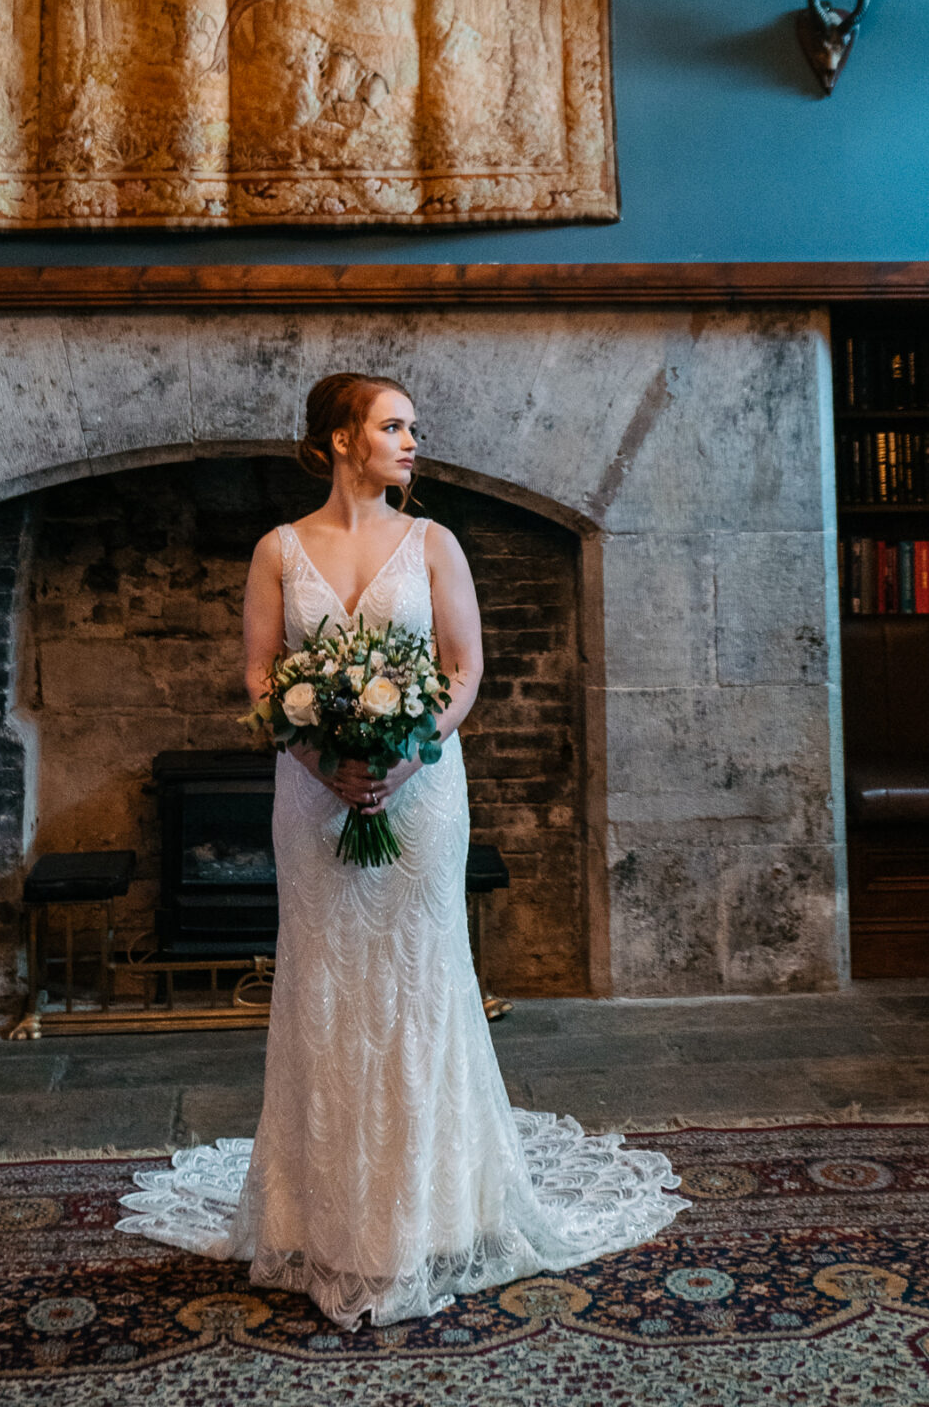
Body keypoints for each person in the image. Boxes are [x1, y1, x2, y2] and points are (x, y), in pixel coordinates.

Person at [118, 370, 685, 1326]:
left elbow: (464, 673)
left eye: (413, 428)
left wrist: (405, 757)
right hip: (310, 796)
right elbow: (260, 678)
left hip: (420, 795)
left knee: (420, 982)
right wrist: (317, 754)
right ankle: (325, 1222)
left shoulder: (433, 543)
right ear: (340, 439)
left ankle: (430, 1219)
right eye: (394, 426)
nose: (412, 442)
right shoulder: (276, 550)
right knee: (326, 983)